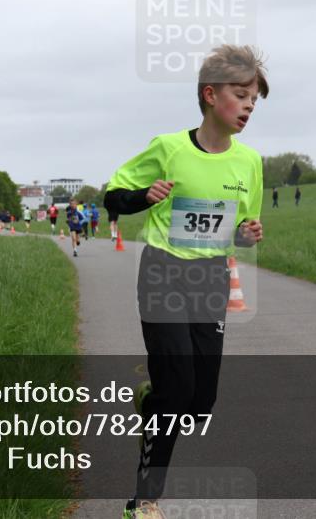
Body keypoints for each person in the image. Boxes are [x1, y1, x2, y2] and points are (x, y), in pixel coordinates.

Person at [104, 44, 268, 519]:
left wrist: (248, 233)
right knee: (176, 394)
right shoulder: (168, 148)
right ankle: (144, 502)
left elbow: (242, 230)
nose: (249, 106)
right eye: (241, 95)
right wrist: (142, 194)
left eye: (254, 98)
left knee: (199, 404)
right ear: (210, 95)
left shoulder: (249, 163)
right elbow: (113, 197)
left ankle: (153, 399)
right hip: (162, 270)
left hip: (210, 278)